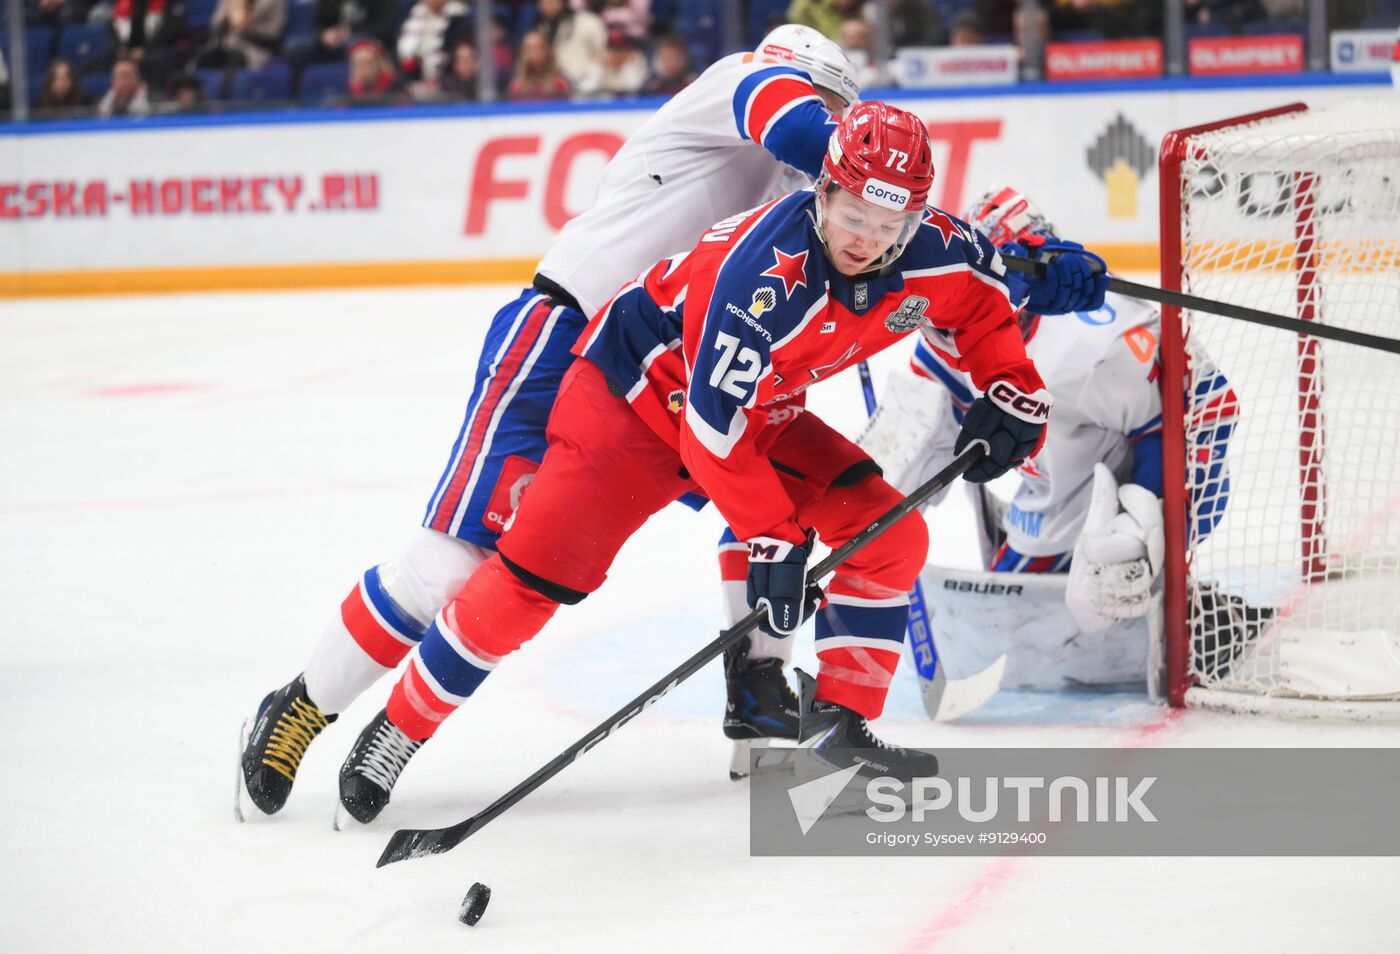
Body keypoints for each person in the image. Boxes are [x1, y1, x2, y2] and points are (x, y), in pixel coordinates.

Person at [336, 100, 1052, 820]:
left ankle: (839, 733)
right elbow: (712, 433)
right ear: (824, 189)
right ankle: (398, 729)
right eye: (853, 215)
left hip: (755, 409)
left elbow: (985, 302)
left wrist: (1013, 386)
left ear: (917, 220)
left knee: (888, 536)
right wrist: (773, 537)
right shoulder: (759, 280)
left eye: (889, 225)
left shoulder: (939, 249)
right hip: (633, 402)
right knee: (532, 579)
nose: (867, 240)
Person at [235, 23, 863, 823]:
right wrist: (880, 170)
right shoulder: (743, 83)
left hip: (673, 374)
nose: (835, 124)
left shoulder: (803, 191)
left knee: (775, 507)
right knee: (459, 564)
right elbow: (799, 123)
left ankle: (758, 693)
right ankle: (302, 705)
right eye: (830, 105)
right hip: (566, 338)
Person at [856, 185, 1237, 692]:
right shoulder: (953, 324)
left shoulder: (1089, 348)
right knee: (1007, 634)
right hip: (1053, 492)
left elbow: (1207, 406)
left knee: (1029, 638)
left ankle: (1180, 606)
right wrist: (869, 505)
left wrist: (1141, 527)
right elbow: (925, 430)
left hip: (1123, 493)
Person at [505, 28, 572, 101]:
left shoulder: (560, 84)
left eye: (538, 47)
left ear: (547, 50)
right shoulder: (516, 87)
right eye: (529, 48)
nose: (534, 53)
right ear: (522, 53)